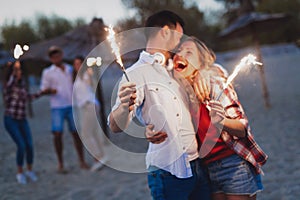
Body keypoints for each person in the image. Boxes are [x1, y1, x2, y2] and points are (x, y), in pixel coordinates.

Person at [109, 11, 210, 200]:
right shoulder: (136, 73)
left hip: (198, 165)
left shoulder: (177, 68)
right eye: (179, 35)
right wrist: (124, 106)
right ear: (165, 31)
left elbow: (210, 68)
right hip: (167, 172)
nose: (180, 43)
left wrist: (203, 73)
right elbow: (115, 126)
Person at [172, 37, 268, 200]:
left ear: (201, 63)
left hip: (233, 164)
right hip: (207, 169)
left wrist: (221, 122)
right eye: (178, 51)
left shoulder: (214, 84)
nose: (181, 54)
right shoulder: (180, 95)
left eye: (189, 52)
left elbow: (242, 128)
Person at [3, 61, 54, 184]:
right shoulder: (9, 85)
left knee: (29, 146)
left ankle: (29, 171)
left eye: (20, 71)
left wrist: (43, 92)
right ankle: (20, 172)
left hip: (22, 120)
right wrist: (14, 66)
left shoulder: (21, 86)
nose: (19, 72)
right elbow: (10, 80)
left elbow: (28, 97)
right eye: (17, 71)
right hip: (11, 120)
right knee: (21, 145)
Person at [40, 46, 89, 173]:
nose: (56, 57)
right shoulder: (47, 72)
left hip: (71, 105)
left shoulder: (69, 69)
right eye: (53, 56)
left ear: (61, 55)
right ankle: (60, 163)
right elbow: (43, 89)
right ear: (50, 58)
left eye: (57, 55)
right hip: (57, 106)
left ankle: (82, 160)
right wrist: (50, 90)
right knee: (57, 134)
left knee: (76, 133)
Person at [72, 56, 106, 171]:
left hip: (89, 105)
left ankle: (98, 158)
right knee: (92, 132)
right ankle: (101, 157)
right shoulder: (77, 78)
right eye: (75, 64)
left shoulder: (86, 74)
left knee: (86, 134)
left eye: (79, 63)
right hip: (85, 106)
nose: (77, 66)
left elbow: (91, 81)